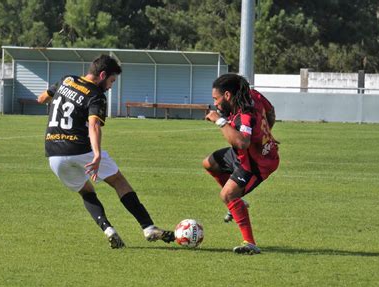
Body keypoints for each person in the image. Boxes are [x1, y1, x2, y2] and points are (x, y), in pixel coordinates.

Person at [37, 54, 175, 249]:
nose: (110, 87)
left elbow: (42, 98)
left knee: (86, 191)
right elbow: (94, 125)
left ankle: (108, 229)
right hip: (80, 147)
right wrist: (97, 154)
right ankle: (148, 227)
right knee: (119, 181)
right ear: (102, 75)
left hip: (53, 152)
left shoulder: (66, 80)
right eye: (111, 81)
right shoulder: (96, 95)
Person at [203, 73, 279, 254]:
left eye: (216, 99)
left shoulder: (244, 115)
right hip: (244, 155)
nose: (215, 104)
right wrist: (265, 134)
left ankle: (250, 243)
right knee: (209, 163)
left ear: (228, 95)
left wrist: (219, 121)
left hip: (257, 164)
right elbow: (271, 112)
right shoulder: (253, 95)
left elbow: (242, 142)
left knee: (227, 195)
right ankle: (238, 202)